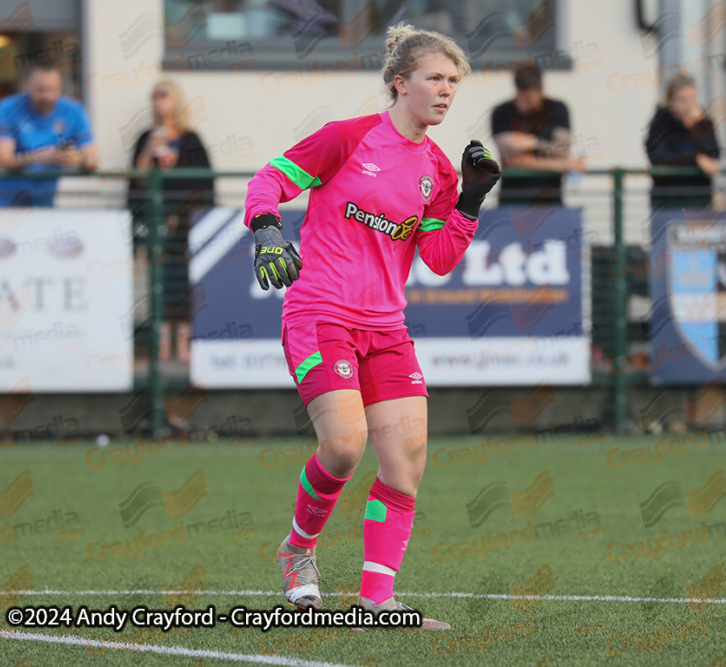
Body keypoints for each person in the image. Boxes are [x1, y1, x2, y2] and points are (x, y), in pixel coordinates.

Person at [243, 23, 500, 630]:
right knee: (342, 446)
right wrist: (267, 228)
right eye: (435, 78)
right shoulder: (348, 138)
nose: (446, 91)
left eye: (453, 82)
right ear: (399, 83)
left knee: (405, 464)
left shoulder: (438, 170)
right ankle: (298, 550)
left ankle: (377, 603)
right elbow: (269, 180)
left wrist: (468, 203)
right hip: (320, 312)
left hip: (386, 327)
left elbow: (437, 259)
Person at [128, 79, 215, 363]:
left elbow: (203, 184)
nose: (157, 102)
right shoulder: (146, 138)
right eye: (154, 96)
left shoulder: (191, 140)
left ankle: (184, 344)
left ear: (176, 100)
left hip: (187, 225)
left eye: (163, 96)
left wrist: (186, 215)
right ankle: (163, 346)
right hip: (157, 224)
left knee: (186, 283)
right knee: (160, 284)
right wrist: (149, 151)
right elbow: (136, 182)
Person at [0, 58, 98, 207]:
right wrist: (40, 157)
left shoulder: (74, 111)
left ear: (60, 87)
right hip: (5, 204)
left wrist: (75, 157)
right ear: (26, 86)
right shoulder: (7, 107)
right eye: (40, 90)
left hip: (44, 205)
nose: (47, 96)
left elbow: (93, 160)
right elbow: (4, 159)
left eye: (52, 89)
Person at [490, 64, 584, 207]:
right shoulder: (502, 112)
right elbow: (512, 161)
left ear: (541, 90)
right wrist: (560, 164)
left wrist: (527, 145)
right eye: (521, 97)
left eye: (529, 99)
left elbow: (562, 149)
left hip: (551, 201)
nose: (523, 104)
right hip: (512, 201)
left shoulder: (557, 109)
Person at [645, 76, 721, 211]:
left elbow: (714, 154)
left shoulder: (703, 121)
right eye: (682, 99)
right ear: (670, 101)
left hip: (699, 198)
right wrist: (696, 159)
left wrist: (696, 127)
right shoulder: (660, 123)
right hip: (667, 200)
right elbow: (659, 157)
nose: (689, 105)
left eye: (692, 98)